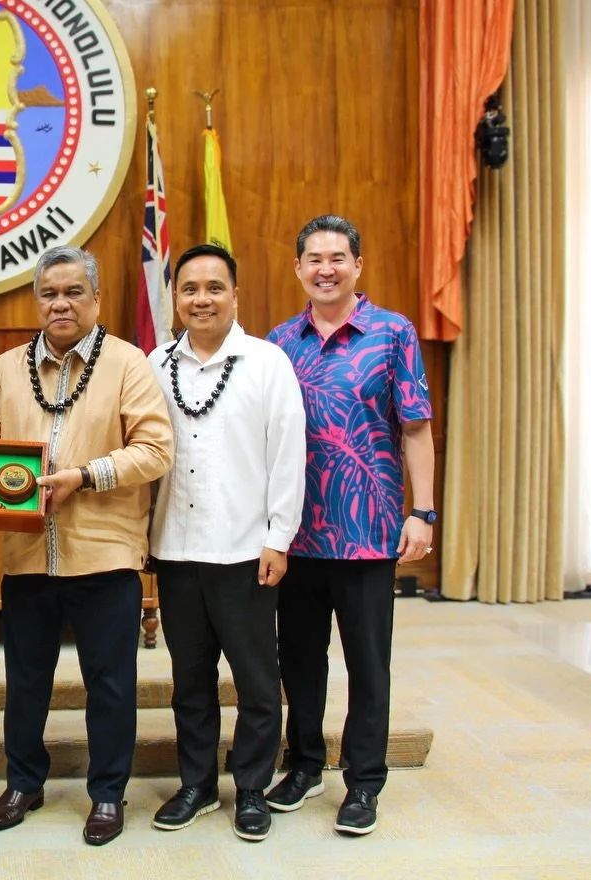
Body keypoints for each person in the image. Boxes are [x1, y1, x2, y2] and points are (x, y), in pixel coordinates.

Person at [0, 246, 173, 847]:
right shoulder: (10, 366)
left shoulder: (129, 364)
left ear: (96, 299)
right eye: (49, 294)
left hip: (104, 553)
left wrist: (83, 476)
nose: (60, 303)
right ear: (37, 302)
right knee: (25, 680)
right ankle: (23, 782)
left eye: (72, 292)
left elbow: (155, 449)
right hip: (27, 555)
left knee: (109, 682)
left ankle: (108, 794)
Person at [264, 214, 436, 836]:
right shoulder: (279, 342)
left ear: (357, 265)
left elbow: (415, 426)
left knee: (368, 663)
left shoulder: (393, 334)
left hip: (369, 531)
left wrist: (423, 510)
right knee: (300, 661)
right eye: (313, 258)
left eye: (337, 257)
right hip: (296, 534)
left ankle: (364, 782)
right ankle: (305, 764)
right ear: (298, 268)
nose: (325, 269)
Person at [145, 244, 306, 842]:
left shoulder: (268, 364)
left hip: (245, 551)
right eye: (190, 289)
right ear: (176, 298)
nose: (202, 298)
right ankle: (197, 785)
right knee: (189, 679)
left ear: (235, 294)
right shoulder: (155, 365)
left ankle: (253, 789)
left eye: (215, 287)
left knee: (258, 681)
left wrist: (278, 538)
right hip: (178, 550)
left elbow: (288, 458)